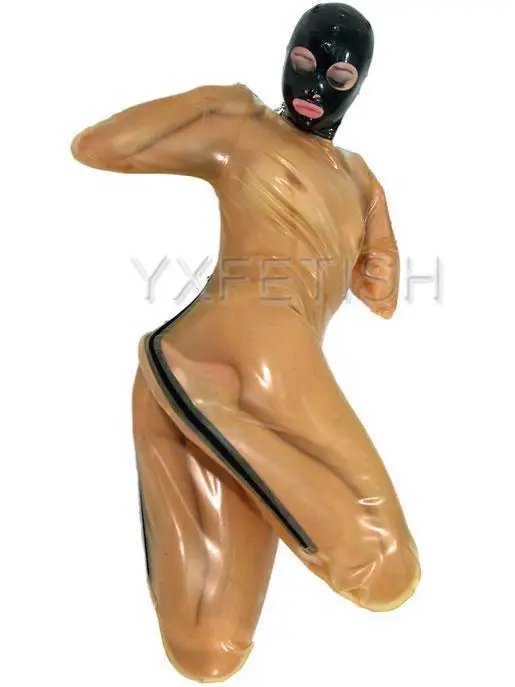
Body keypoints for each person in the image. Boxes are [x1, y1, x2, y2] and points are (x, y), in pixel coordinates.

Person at [72, 3, 420, 681]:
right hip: (258, 345)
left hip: (255, 363)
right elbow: (97, 147)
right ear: (284, 57)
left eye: (338, 76)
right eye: (303, 64)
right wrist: (211, 103)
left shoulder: (360, 177)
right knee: (386, 570)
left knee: (209, 649)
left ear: (360, 84)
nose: (313, 87)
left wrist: (364, 236)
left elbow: (381, 294)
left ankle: (200, 399)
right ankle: (209, 399)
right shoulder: (243, 127)